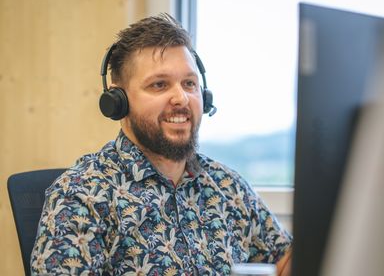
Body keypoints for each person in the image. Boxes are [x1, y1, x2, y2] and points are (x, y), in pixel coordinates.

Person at [31, 14, 293, 276]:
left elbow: (285, 259)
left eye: (189, 84)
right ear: (118, 100)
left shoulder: (226, 187)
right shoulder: (82, 195)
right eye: (159, 85)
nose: (181, 98)